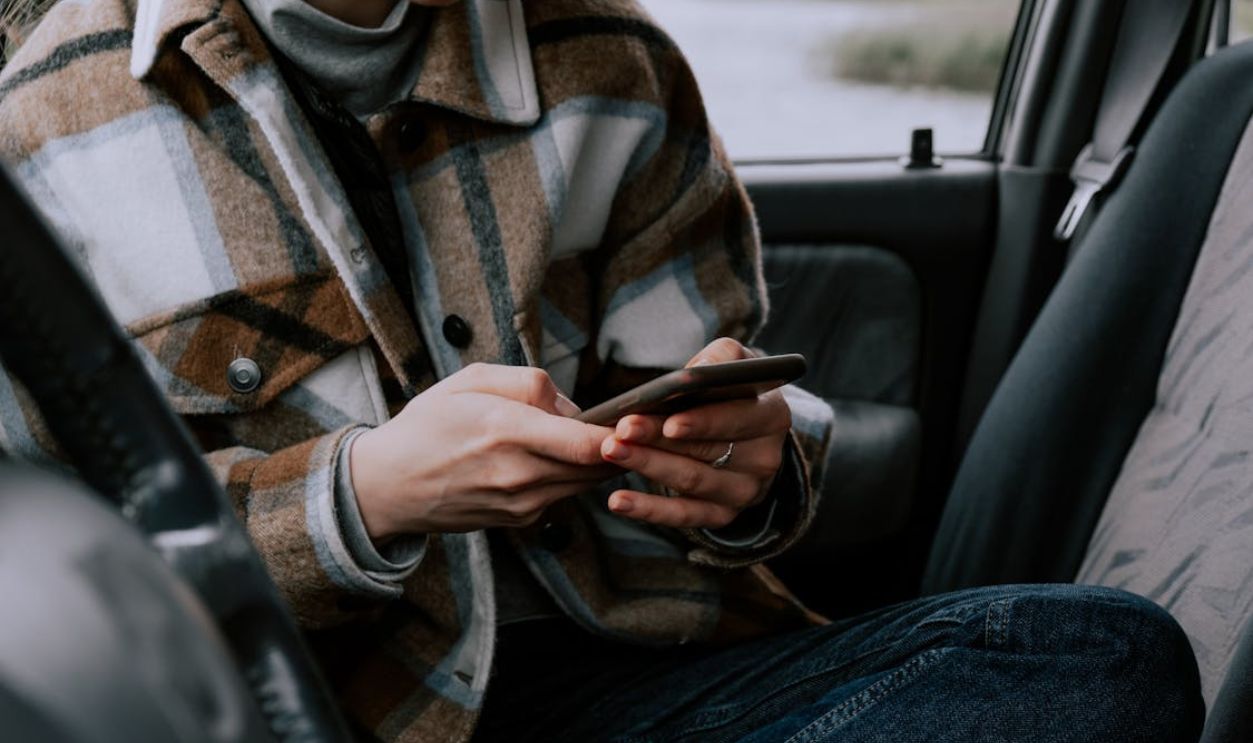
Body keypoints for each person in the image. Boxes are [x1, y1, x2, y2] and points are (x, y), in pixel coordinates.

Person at [0, 0, 1205, 740]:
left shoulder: (612, 62)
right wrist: (365, 497)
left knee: (1097, 662)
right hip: (310, 709)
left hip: (640, 685)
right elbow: (45, 565)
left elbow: (723, 392)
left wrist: (754, 467)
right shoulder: (44, 122)